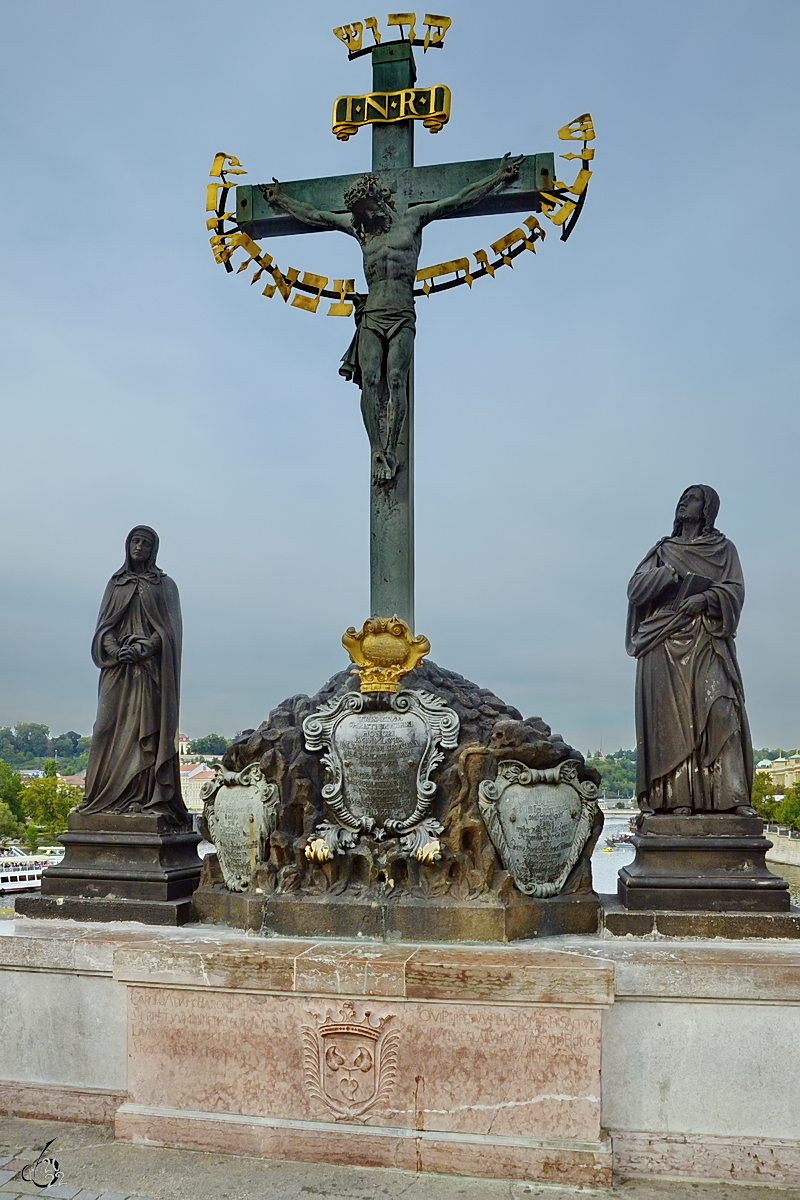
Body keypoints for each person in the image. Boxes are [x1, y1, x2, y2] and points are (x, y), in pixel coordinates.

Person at [264, 156, 522, 481]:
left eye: (367, 209)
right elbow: (316, 216)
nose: (363, 217)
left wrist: (497, 178)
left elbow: (458, 199)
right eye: (358, 213)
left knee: (396, 379)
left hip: (401, 314)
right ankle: (376, 449)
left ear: (378, 199)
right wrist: (281, 199)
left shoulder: (413, 219)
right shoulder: (361, 231)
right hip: (372, 315)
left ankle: (391, 449)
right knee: (371, 381)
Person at [626, 485, 755, 816]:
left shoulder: (724, 549)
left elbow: (735, 592)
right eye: (683, 497)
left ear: (708, 508)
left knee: (722, 708)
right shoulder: (662, 550)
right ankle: (676, 798)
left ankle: (733, 797)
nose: (685, 501)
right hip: (664, 641)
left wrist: (706, 598)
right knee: (672, 722)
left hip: (707, 636)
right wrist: (668, 573)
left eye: (694, 498)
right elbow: (636, 590)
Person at [78, 526, 189, 826]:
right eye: (135, 541)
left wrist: (144, 649)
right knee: (104, 729)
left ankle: (142, 797)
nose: (139, 547)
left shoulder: (165, 586)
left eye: (146, 543)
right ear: (127, 545)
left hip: (149, 673)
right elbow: (104, 628)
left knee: (146, 732)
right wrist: (115, 651)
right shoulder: (116, 584)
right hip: (117, 671)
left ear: (154, 550)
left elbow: (170, 633)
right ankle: (98, 797)